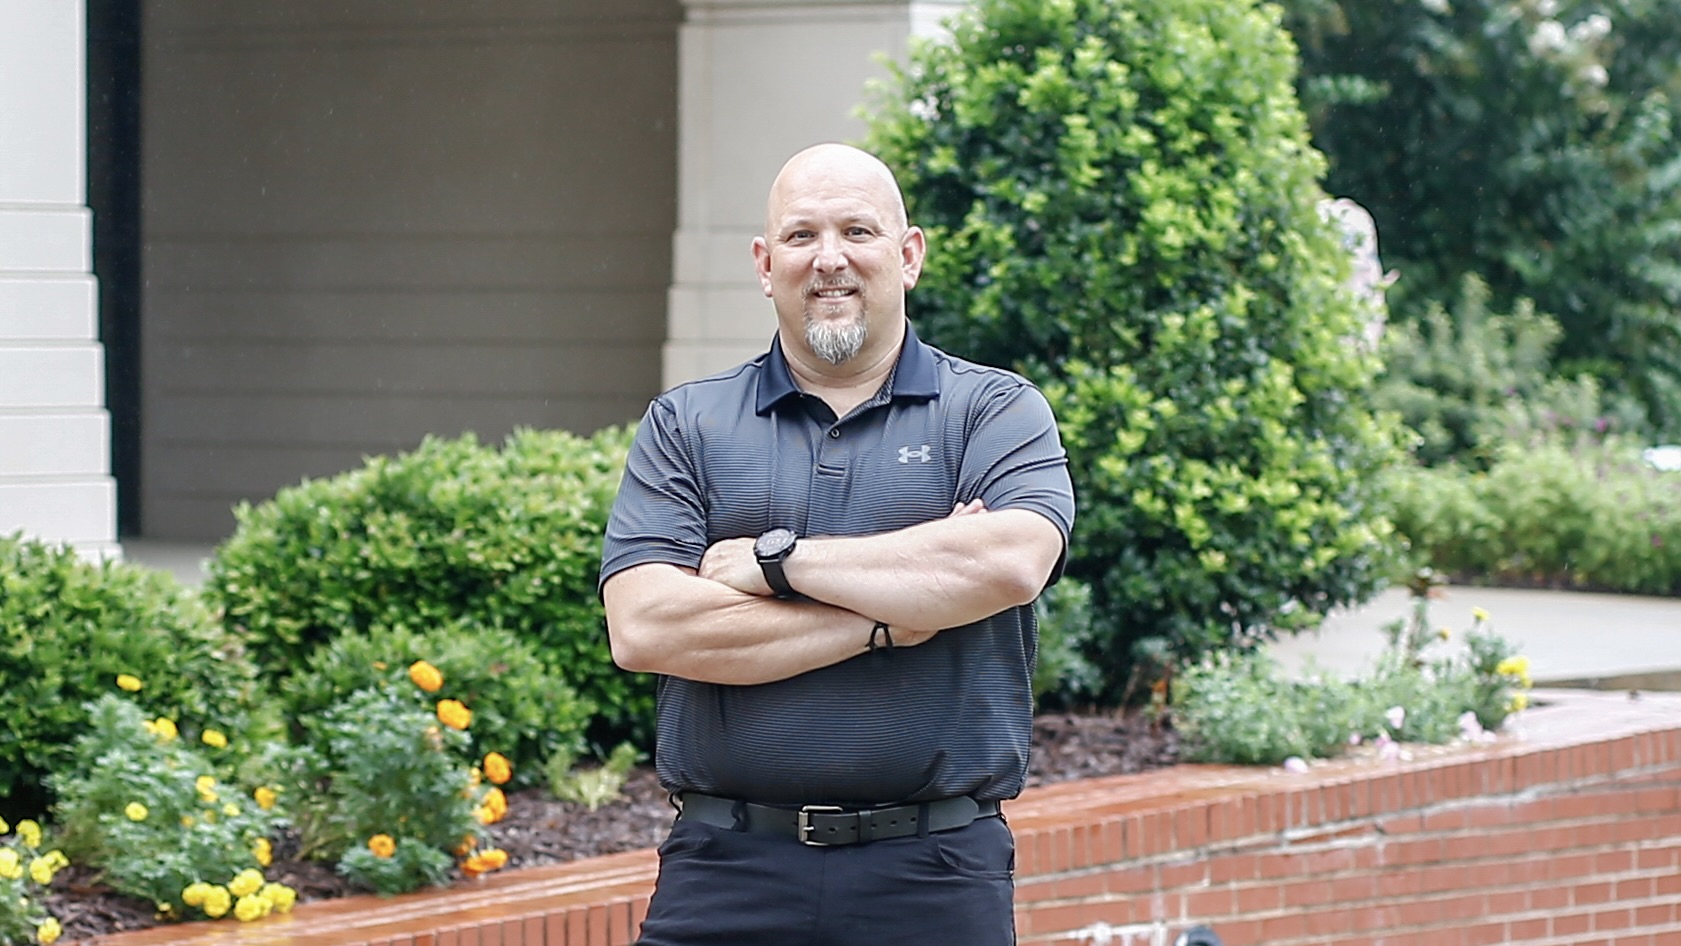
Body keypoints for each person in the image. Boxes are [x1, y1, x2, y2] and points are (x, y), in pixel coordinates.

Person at [598, 142, 1075, 946]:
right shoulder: (687, 425)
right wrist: (888, 619)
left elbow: (1007, 561)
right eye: (799, 237)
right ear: (763, 262)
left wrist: (773, 563)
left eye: (857, 231)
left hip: (934, 873)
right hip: (725, 871)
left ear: (908, 254)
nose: (829, 261)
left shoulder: (992, 410)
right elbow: (647, 627)